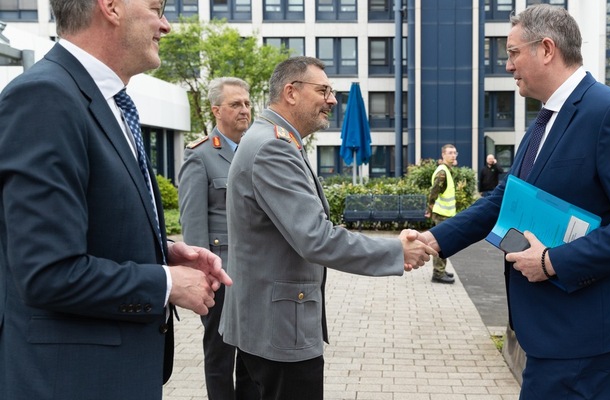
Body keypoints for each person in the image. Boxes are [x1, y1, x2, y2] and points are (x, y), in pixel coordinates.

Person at [419, 5, 610, 399]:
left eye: (513, 52)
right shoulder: (545, 120)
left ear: (547, 49)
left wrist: (551, 262)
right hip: (560, 328)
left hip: (589, 328)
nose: (508, 65)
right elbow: (506, 198)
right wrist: (434, 241)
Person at [0, 0, 232, 399]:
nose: (166, 26)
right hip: (70, 382)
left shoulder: (104, 101)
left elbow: (93, 222)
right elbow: (47, 272)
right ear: (110, 7)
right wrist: (165, 283)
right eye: (157, 8)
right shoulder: (45, 97)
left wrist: (166, 251)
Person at [218, 56, 435, 400]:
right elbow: (316, 238)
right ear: (291, 92)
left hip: (263, 325)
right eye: (323, 90)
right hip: (279, 332)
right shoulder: (274, 145)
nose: (332, 99)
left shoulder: (271, 137)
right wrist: (396, 250)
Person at [178, 77, 258, 400]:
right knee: (220, 355)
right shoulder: (198, 155)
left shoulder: (257, 149)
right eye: (236, 104)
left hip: (255, 272)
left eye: (247, 103)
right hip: (220, 274)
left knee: (254, 355)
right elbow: (192, 222)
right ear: (216, 111)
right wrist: (203, 275)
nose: (244, 110)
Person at [424, 144, 458, 284]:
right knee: (440, 243)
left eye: (455, 153)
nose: (453, 155)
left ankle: (441, 270)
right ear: (443, 154)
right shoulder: (442, 172)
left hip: (446, 213)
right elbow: (434, 191)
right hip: (441, 213)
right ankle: (438, 273)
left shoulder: (447, 170)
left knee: (444, 243)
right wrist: (429, 209)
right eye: (450, 153)